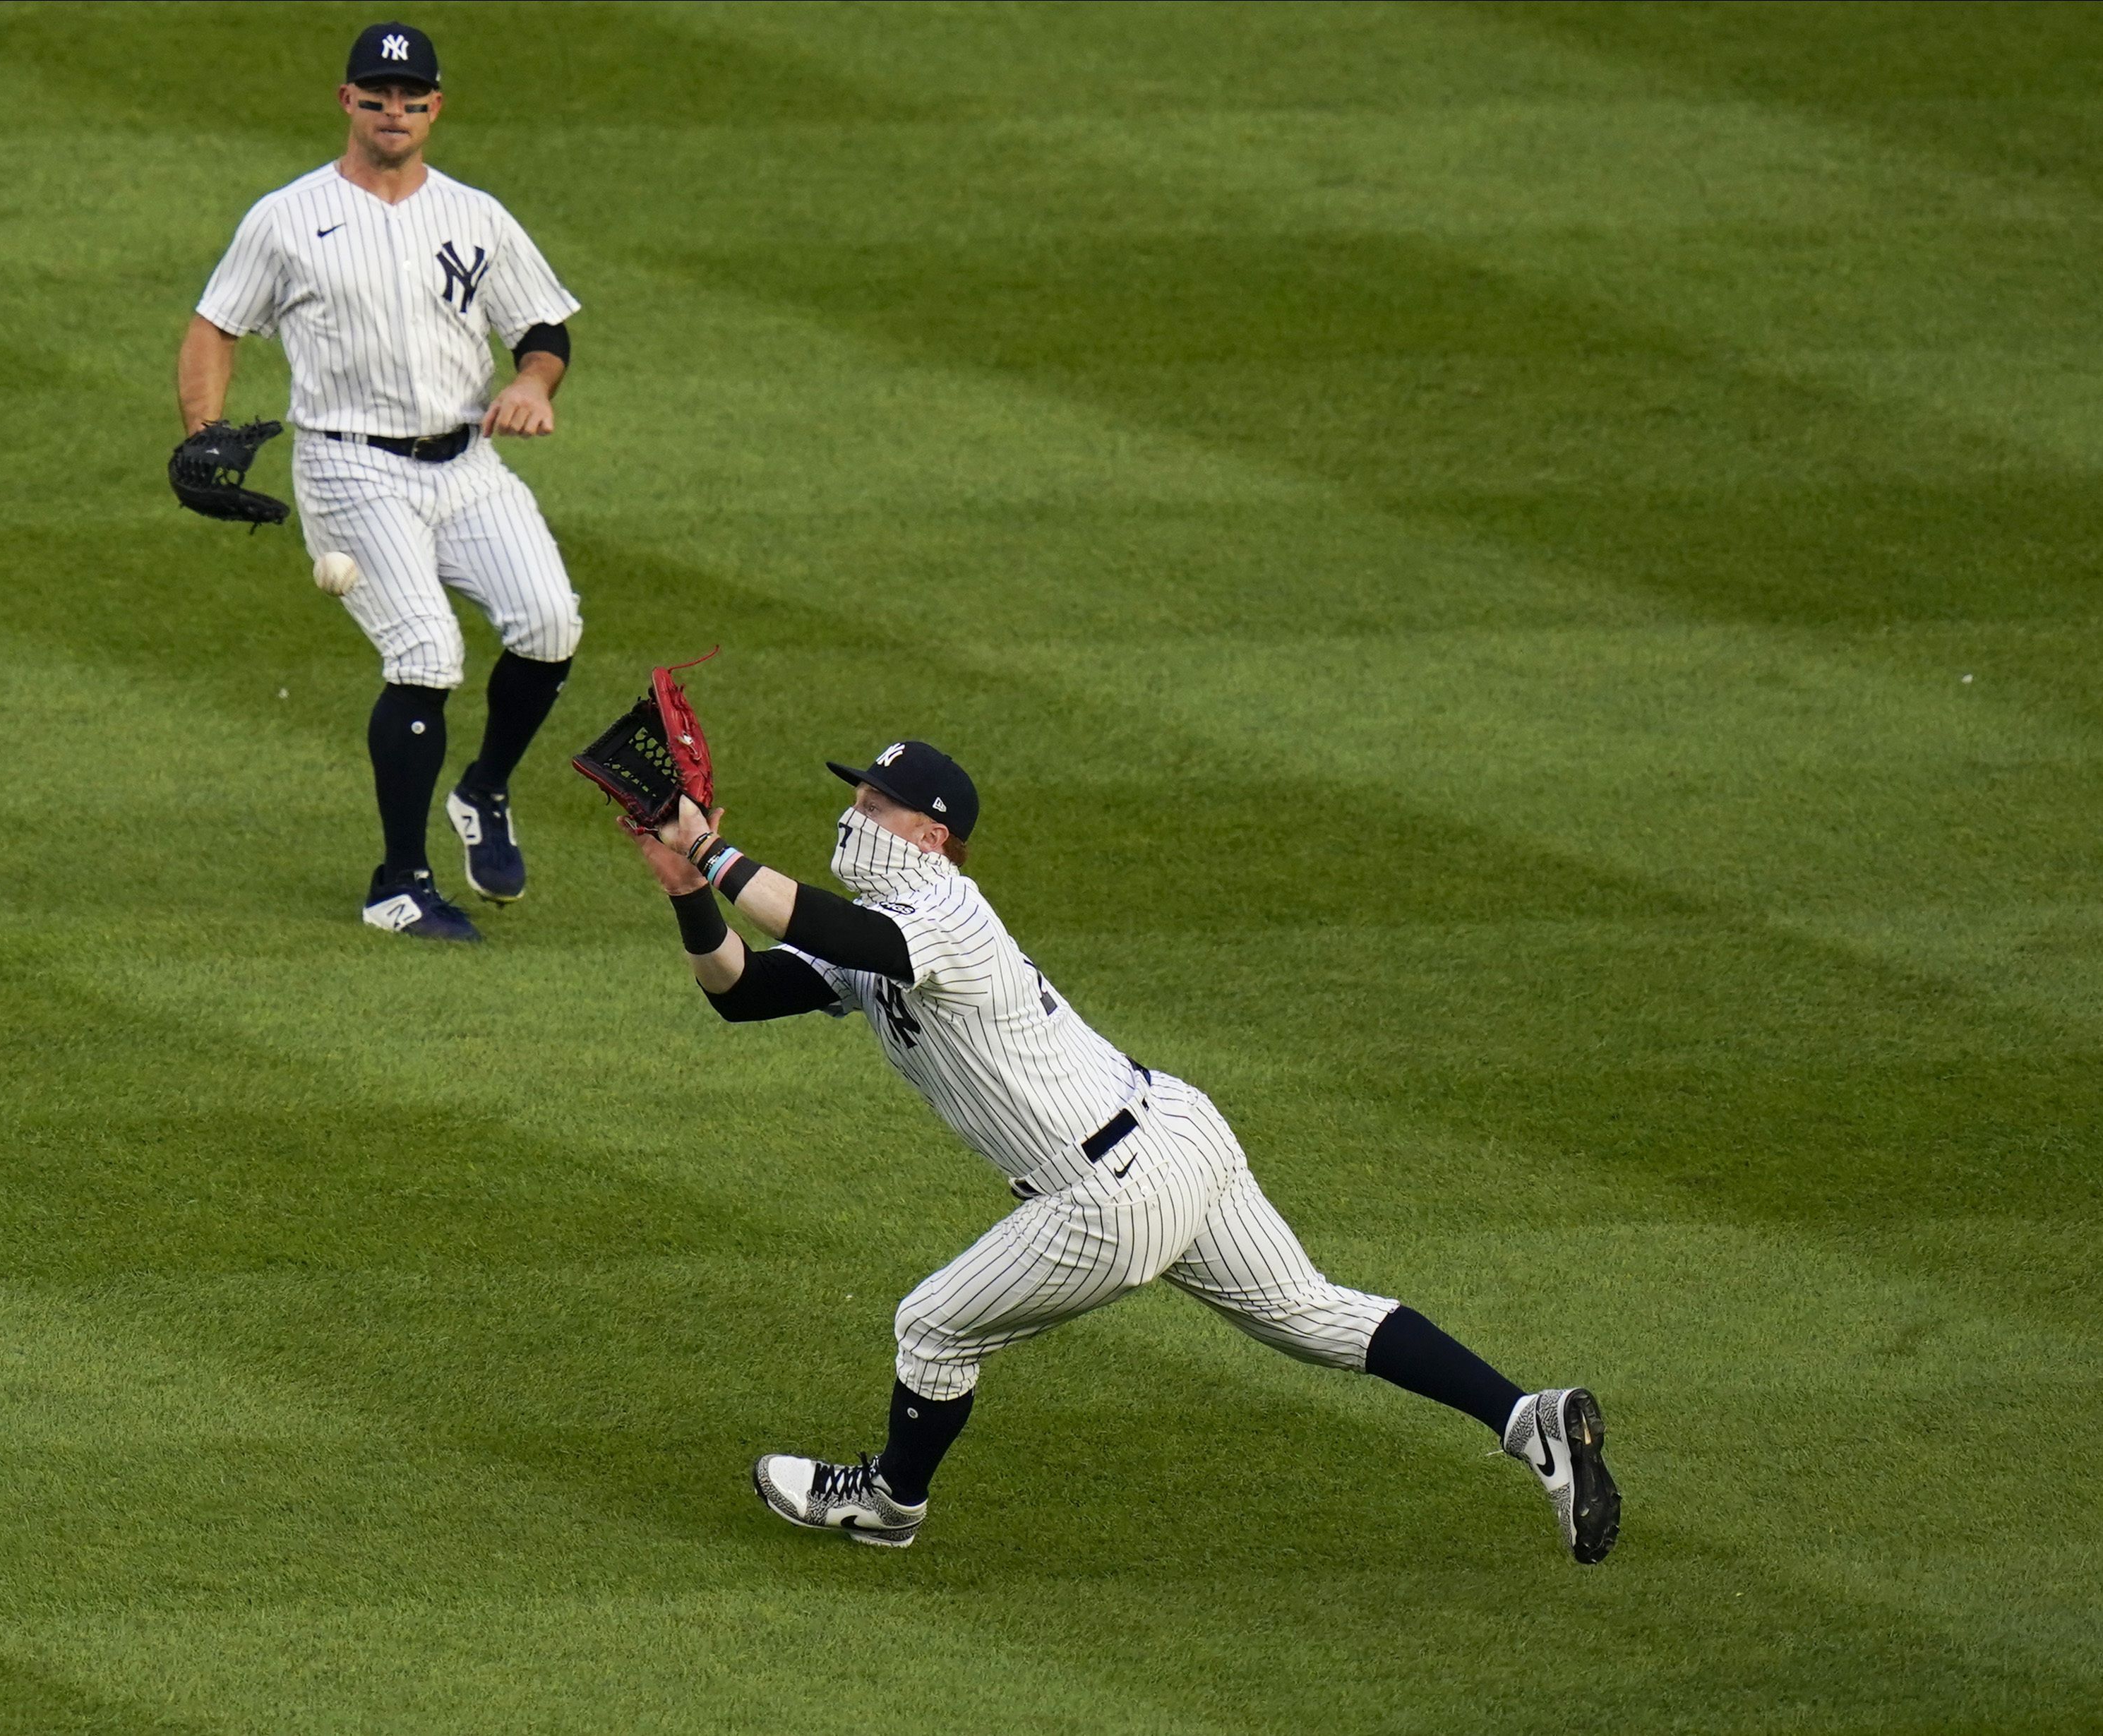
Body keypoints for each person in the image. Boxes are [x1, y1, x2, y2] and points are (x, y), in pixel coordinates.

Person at [621, 741, 1622, 1559]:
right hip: (1177, 1132)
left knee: (931, 1329)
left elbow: (840, 928)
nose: (854, 816)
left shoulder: (947, 916)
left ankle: (889, 1504)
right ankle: (1524, 1416)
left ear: (933, 837)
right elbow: (744, 991)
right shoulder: (878, 927)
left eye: (876, 805)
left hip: (1105, 1193)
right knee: (1308, 1311)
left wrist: (715, 849)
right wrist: (686, 886)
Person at [180, 21, 583, 941]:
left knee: (552, 623)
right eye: (376, 94)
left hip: (467, 461)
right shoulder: (286, 218)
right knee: (427, 656)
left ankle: (483, 791)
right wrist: (202, 431)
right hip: (349, 463)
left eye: (411, 96)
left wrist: (530, 382)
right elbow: (215, 326)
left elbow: (544, 328)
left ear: (436, 106)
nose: (393, 110)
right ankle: (397, 886)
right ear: (346, 102)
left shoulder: (476, 215)